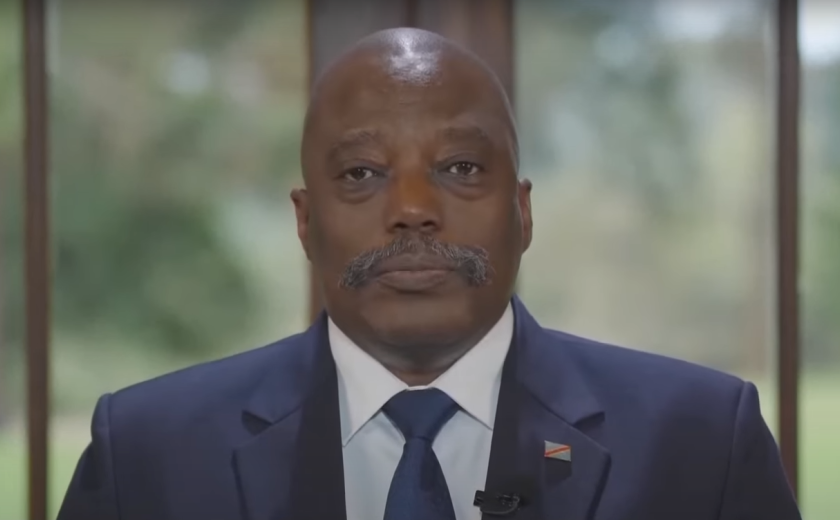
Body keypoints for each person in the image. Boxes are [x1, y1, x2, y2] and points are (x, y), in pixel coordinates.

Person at [57, 28, 801, 520]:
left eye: (461, 167)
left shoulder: (702, 444)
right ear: (305, 221)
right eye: (361, 172)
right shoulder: (146, 457)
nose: (413, 209)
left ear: (522, 211)